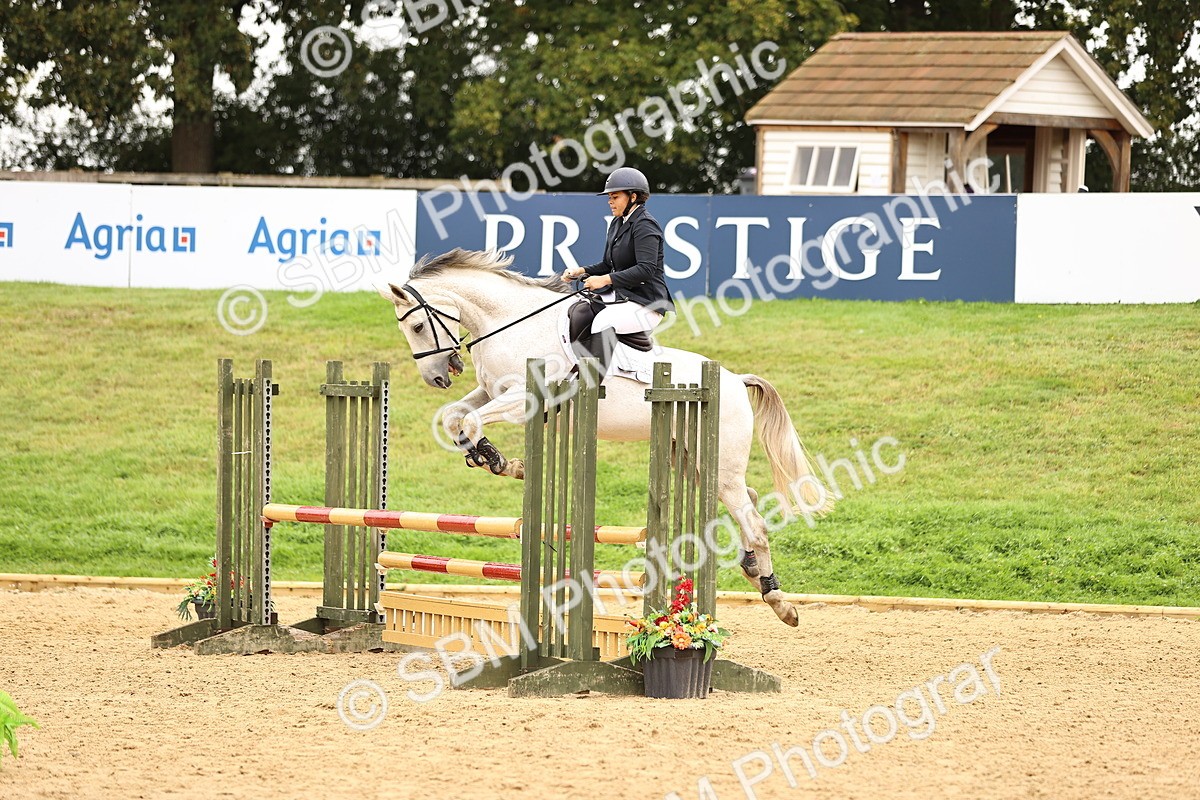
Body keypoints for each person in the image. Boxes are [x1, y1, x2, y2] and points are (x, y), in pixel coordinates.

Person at [561, 167, 674, 373]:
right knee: (580, 308)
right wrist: (581, 270)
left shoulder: (646, 225)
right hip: (625, 295)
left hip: (648, 302)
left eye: (614, 197)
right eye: (609, 197)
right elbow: (607, 264)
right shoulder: (617, 223)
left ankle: (591, 386)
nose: (609, 201)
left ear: (633, 197)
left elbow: (646, 269)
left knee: (604, 321)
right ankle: (577, 366)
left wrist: (605, 280)